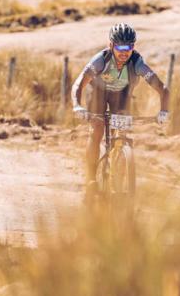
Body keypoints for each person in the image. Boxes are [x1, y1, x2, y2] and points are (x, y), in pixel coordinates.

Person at [71, 22, 170, 187]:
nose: (124, 52)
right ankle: (90, 179)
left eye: (128, 47)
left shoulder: (137, 62)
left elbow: (162, 88)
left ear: (133, 47)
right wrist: (77, 105)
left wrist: (164, 111)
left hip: (121, 93)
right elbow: (78, 84)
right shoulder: (101, 60)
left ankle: (118, 167)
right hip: (97, 92)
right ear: (111, 45)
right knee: (97, 129)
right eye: (120, 47)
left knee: (121, 132)